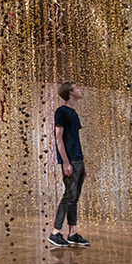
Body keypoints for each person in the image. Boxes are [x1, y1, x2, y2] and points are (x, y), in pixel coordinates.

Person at [47, 82, 90, 247]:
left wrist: (81, 163)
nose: (81, 89)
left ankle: (72, 233)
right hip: (70, 160)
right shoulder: (62, 111)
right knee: (69, 196)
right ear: (71, 92)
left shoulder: (73, 113)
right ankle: (55, 232)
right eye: (77, 87)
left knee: (74, 198)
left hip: (77, 160)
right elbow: (58, 138)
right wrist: (65, 162)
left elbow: (75, 140)